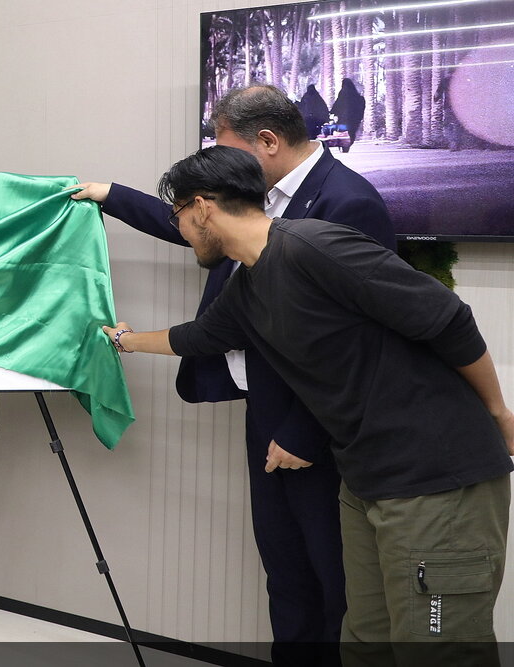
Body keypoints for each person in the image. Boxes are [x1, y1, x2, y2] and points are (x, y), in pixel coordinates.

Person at [102, 145, 514, 667]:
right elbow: (199, 337)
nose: (179, 229)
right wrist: (125, 340)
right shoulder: (248, 282)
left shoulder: (314, 246)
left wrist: (499, 413)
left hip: (436, 476)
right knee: (365, 640)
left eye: (178, 216)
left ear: (202, 208)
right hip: (365, 481)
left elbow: (448, 318)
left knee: (437, 649)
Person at [73, 84, 395, 661]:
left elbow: (365, 341)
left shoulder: (348, 202)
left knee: (335, 578)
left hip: (319, 425)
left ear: (266, 142)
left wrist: (302, 434)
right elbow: (194, 227)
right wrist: (107, 195)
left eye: (225, 150)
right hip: (265, 405)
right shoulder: (254, 197)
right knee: (284, 568)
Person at [330, 78, 366, 148]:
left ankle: (344, 145)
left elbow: (337, 105)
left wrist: (333, 113)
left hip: (343, 119)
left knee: (343, 132)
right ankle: (348, 144)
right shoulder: (357, 97)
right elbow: (361, 107)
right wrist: (359, 117)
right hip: (354, 119)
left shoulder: (342, 94)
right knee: (351, 132)